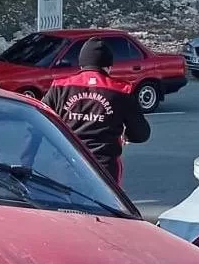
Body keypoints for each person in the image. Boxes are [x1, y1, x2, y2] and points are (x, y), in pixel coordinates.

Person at [42, 39, 150, 185]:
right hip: (104, 170)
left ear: (81, 65)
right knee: (103, 208)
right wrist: (126, 135)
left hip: (64, 165)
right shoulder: (121, 91)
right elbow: (142, 133)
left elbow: (38, 123)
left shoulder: (59, 87)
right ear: (109, 67)